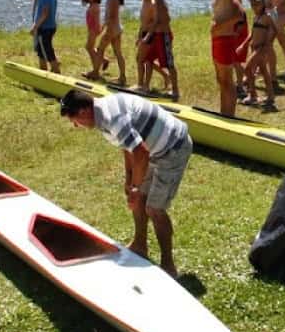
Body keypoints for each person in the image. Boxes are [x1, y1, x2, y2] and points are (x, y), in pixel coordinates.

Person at [59, 89, 192, 278]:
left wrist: (136, 187)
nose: (75, 125)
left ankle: (168, 266)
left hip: (173, 148)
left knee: (154, 209)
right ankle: (140, 246)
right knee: (138, 200)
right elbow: (128, 146)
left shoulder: (112, 118)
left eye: (74, 120)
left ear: (83, 111)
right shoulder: (101, 115)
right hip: (151, 149)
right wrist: (129, 179)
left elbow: (141, 152)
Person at [207, 0, 247, 116]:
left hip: (225, 40)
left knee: (227, 81)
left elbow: (240, 14)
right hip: (217, 39)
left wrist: (219, 27)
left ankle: (229, 115)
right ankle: (224, 113)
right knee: (220, 79)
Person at [239, 0, 277, 109]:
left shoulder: (267, 17)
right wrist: (243, 45)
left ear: (263, 4)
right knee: (264, 71)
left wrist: (267, 43)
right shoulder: (255, 17)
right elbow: (252, 33)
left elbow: (274, 30)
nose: (254, 7)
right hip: (254, 47)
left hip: (261, 48)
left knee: (247, 68)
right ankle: (270, 96)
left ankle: (253, 95)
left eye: (256, 4)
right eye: (252, 5)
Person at [145, 0, 178, 99]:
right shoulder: (157, 2)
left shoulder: (159, 4)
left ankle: (175, 91)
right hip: (157, 36)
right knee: (148, 59)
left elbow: (158, 21)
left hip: (163, 36)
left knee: (169, 64)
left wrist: (148, 36)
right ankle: (146, 86)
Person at [99, 0, 128, 85]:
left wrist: (107, 30)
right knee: (118, 53)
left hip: (111, 29)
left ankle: (96, 72)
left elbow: (111, 17)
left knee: (99, 50)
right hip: (117, 28)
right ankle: (122, 77)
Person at [30, 0, 61, 74]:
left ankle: (56, 70)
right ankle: (43, 71)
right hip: (50, 27)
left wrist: (35, 27)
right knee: (41, 51)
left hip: (45, 28)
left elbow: (45, 13)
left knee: (47, 51)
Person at [133, 0, 157, 92]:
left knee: (145, 60)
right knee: (141, 59)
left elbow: (155, 22)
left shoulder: (152, 3)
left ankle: (144, 85)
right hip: (144, 33)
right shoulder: (144, 2)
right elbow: (143, 22)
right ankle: (141, 84)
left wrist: (147, 36)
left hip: (150, 34)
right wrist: (139, 37)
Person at [80, 0, 106, 80]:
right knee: (90, 47)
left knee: (89, 48)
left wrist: (97, 30)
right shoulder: (92, 4)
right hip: (92, 29)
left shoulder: (95, 6)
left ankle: (95, 71)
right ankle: (103, 60)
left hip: (93, 30)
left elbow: (97, 20)